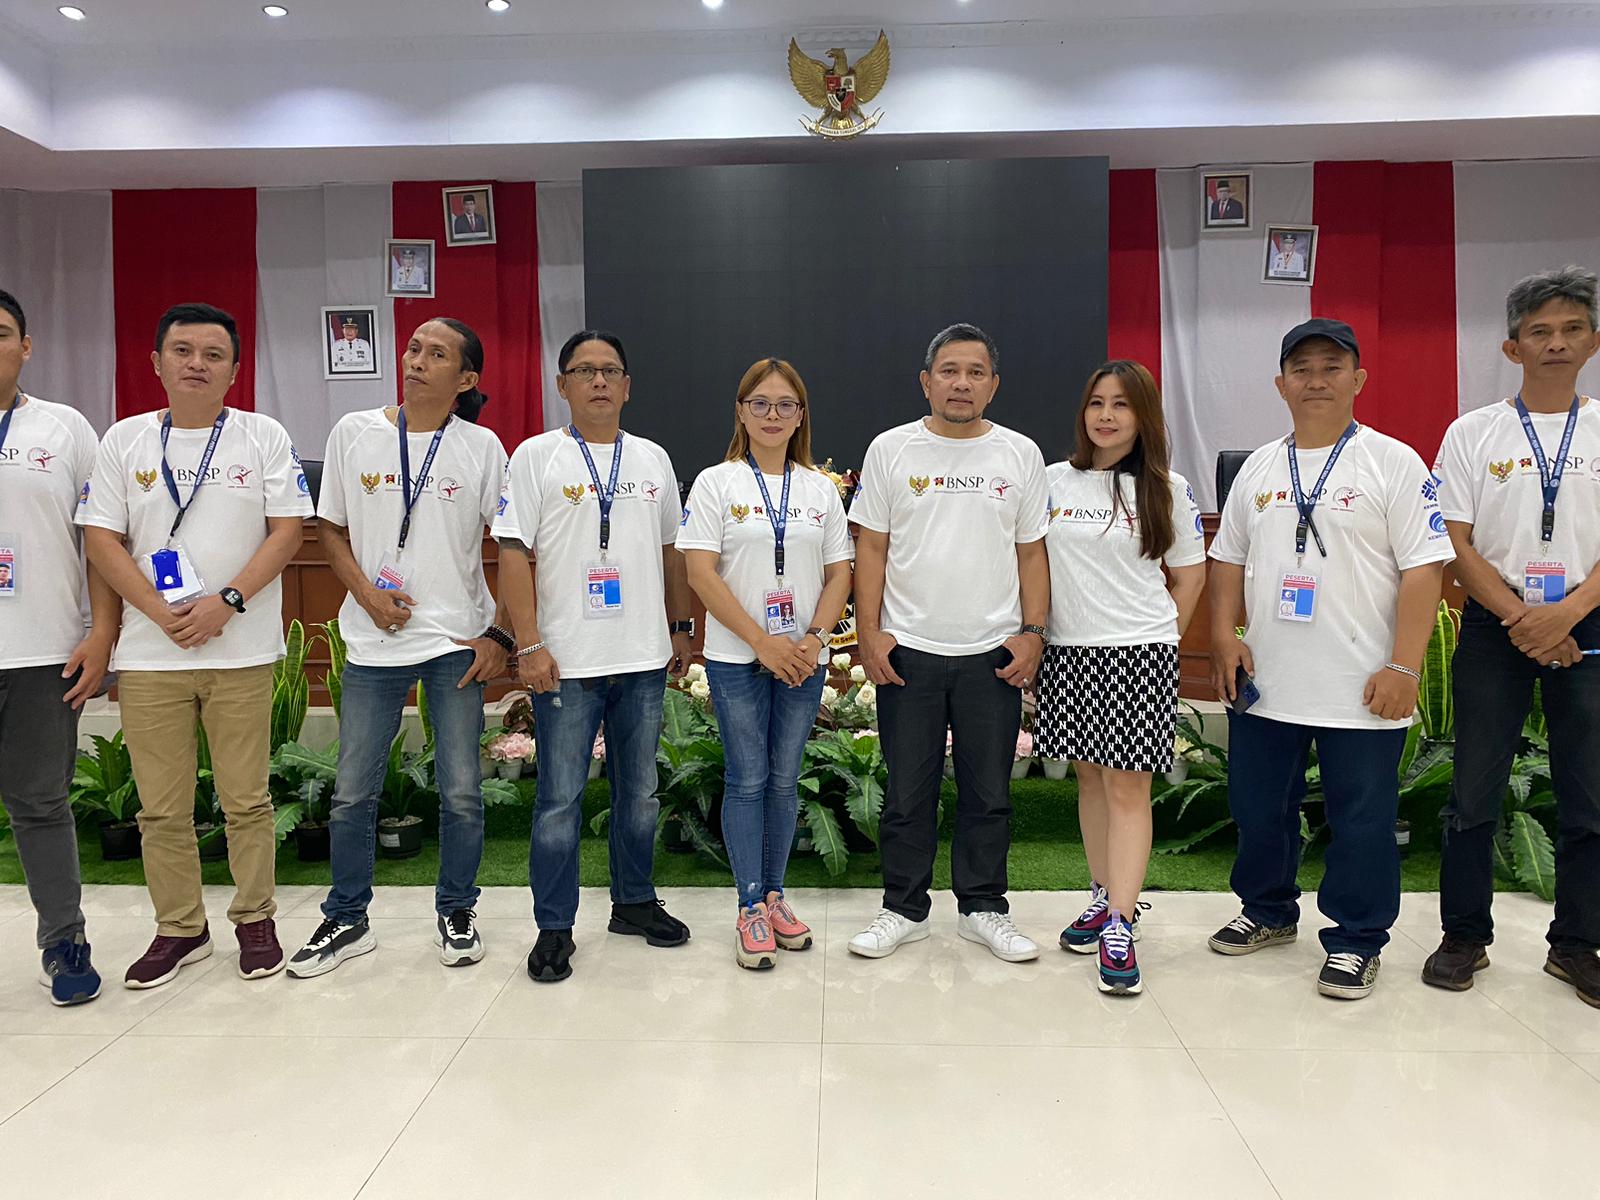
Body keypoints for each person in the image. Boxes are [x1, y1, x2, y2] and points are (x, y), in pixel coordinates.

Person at [1207, 318, 1452, 1000]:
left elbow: (1425, 569)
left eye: (1332, 367)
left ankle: (1356, 939)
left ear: (1358, 379)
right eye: (1302, 369)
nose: (1316, 380)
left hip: (1363, 684)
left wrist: (1405, 667)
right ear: (1281, 383)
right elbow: (1227, 558)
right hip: (1267, 681)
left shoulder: (1393, 462)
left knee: (1362, 820)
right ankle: (1267, 911)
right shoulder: (1259, 466)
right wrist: (1223, 634)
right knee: (1259, 809)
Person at [80, 302, 312, 989]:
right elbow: (101, 538)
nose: (197, 364)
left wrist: (226, 603)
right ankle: (180, 928)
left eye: (214, 355)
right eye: (182, 351)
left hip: (239, 651)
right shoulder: (123, 440)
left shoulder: (262, 436)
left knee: (247, 800)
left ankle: (255, 919)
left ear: (235, 371)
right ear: (156, 362)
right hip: (150, 656)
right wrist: (158, 612)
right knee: (161, 808)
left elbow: (287, 530)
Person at [287, 318, 511, 979]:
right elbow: (328, 529)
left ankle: (457, 910)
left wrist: (499, 634)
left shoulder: (481, 446)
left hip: (454, 641)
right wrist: (366, 594)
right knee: (353, 793)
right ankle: (347, 917)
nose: (416, 361)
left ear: (465, 378)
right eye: (414, 348)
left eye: (436, 354)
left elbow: (515, 545)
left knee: (461, 791)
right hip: (372, 639)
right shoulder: (354, 433)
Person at [494, 330, 694, 983]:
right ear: (563, 386)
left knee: (640, 793)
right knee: (559, 799)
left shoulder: (653, 459)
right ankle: (554, 927)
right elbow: (513, 552)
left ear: (628, 386)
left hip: (641, 656)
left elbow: (671, 551)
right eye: (584, 370)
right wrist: (528, 643)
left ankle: (633, 902)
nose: (599, 380)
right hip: (565, 661)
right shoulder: (536, 456)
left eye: (610, 370)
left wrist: (681, 626)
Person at [849, 323, 1050, 963]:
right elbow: (871, 548)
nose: (961, 383)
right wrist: (869, 632)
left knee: (989, 795)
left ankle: (983, 909)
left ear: (993, 385)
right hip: (908, 651)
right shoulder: (891, 449)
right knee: (907, 796)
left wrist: (1033, 633)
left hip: (992, 654)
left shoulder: (1019, 453)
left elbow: (1032, 552)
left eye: (975, 372)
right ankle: (903, 909)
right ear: (926, 381)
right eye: (949, 371)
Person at [1426, 265, 1600, 1007]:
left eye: (1570, 329)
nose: (1555, 343)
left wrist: (1567, 614)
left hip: (1587, 622)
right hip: (1495, 625)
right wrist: (1525, 620)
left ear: (1592, 341)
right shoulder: (1473, 432)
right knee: (1474, 788)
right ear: (1512, 347)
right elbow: (1454, 542)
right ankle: (1465, 935)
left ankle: (1577, 944)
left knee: (1589, 793)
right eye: (1539, 331)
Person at [678, 358, 853, 969]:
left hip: (804, 658)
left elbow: (840, 573)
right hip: (738, 658)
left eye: (785, 405)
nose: (772, 415)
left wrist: (814, 638)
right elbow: (700, 574)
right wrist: (763, 643)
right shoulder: (715, 483)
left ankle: (775, 897)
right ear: (741, 411)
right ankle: (749, 905)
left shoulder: (819, 489)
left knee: (784, 779)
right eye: (760, 403)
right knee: (747, 779)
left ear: (801, 415)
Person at [1039, 360, 1206, 995]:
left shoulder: (1167, 489)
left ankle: (1121, 923)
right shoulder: (1052, 481)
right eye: (1096, 403)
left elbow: (1189, 575)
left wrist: (1159, 636)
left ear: (1143, 417)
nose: (1106, 416)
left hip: (1138, 656)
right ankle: (1104, 894)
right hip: (1067, 653)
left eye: (1121, 405)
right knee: (1089, 780)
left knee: (1128, 789)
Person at [0, 288, 117, 1006]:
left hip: (43, 652)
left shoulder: (64, 427)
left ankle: (64, 942)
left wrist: (102, 633)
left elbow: (99, 540)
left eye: (0, 332)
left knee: (41, 804)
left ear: (26, 346)